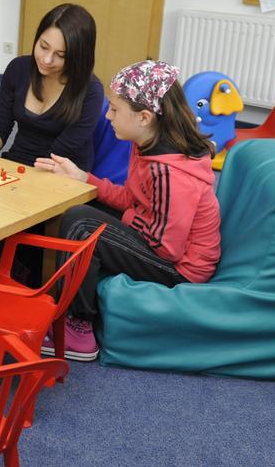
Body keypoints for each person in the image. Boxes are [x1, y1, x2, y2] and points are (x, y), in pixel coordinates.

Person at [35, 60, 221, 361]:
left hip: (180, 269)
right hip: (158, 242)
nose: (107, 116)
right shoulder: (147, 144)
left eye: (115, 109)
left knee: (81, 223)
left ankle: (78, 328)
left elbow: (167, 247)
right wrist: (85, 178)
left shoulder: (169, 174)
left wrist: (120, 225)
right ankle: (54, 292)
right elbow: (133, 199)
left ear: (144, 117)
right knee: (85, 205)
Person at [0, 3, 103, 172]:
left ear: (78, 57)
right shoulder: (18, 68)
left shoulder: (90, 90)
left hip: (62, 174)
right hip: (18, 164)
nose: (47, 60)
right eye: (43, 46)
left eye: (60, 55)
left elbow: (60, 152)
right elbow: (0, 127)